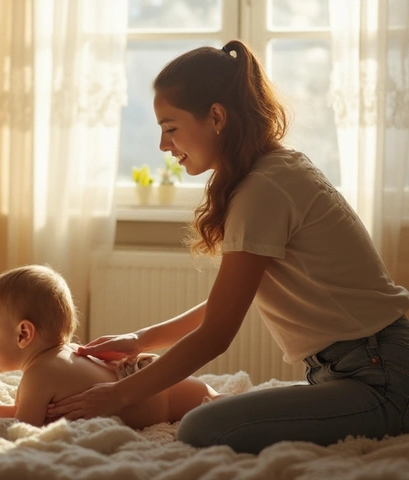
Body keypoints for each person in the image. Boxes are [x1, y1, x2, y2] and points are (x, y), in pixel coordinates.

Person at [46, 39, 409, 454]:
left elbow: (217, 333)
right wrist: (140, 339)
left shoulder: (263, 190)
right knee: (218, 414)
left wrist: (117, 396)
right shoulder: (272, 172)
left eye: (170, 128)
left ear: (216, 117)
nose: (164, 146)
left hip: (381, 380)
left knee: (201, 428)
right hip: (368, 367)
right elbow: (227, 304)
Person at [0, 264, 225, 428]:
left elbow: (22, 424)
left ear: (24, 333)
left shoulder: (40, 374)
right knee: (226, 407)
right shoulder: (68, 355)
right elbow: (25, 410)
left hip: (188, 407)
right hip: (187, 394)